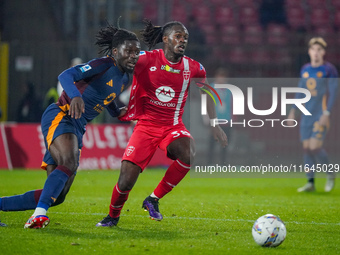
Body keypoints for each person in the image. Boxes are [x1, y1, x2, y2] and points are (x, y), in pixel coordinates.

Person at [0, 24, 141, 228]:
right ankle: (38, 215)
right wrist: (75, 96)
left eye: (136, 52)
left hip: (78, 126)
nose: (133, 56)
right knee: (69, 162)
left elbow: (106, 96)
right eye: (129, 51)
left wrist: (117, 111)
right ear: (115, 51)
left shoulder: (125, 77)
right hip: (62, 114)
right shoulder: (103, 64)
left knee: (58, 195)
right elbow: (65, 76)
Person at [96, 20, 227, 227]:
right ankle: (112, 216)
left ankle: (153, 199)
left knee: (189, 152)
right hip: (145, 126)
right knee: (126, 181)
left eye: (185, 37)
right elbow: (119, 61)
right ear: (165, 39)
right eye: (178, 36)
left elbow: (208, 93)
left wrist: (214, 122)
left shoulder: (193, 68)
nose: (182, 40)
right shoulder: (145, 59)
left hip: (172, 126)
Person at [288, 37, 338, 192]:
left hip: (320, 114)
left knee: (315, 147)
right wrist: (292, 111)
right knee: (306, 148)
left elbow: (334, 92)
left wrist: (327, 112)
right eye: (313, 49)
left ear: (323, 52)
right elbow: (300, 92)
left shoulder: (329, 70)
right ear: (309, 51)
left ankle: (330, 174)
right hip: (306, 115)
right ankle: (310, 182)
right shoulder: (305, 69)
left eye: (319, 50)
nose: (316, 53)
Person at [207, 68, 232, 165]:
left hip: (226, 120)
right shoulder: (211, 88)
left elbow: (232, 104)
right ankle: (209, 163)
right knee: (212, 142)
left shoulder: (228, 90)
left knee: (225, 143)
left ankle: (223, 163)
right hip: (215, 120)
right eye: (220, 77)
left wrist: (232, 118)